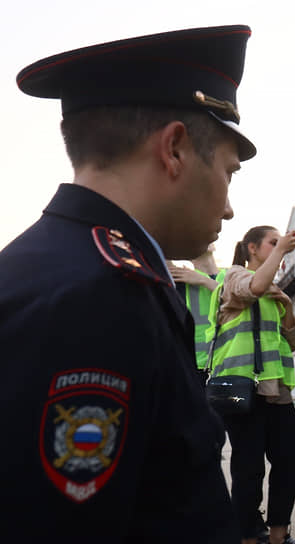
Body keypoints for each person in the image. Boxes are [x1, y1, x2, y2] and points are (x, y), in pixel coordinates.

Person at [0, 25, 255, 543]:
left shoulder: (65, 269)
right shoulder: (99, 299)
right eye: (230, 172)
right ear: (175, 149)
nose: (229, 207)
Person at [211, 225, 295, 544]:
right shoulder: (233, 276)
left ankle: (278, 535)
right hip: (243, 390)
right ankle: (248, 537)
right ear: (252, 248)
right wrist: (281, 254)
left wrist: (287, 305)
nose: (280, 248)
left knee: (289, 462)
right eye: (273, 243)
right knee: (249, 470)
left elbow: (292, 342)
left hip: (277, 392)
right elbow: (253, 287)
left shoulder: (274, 289)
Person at [170, 243, 221, 371]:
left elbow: (241, 299)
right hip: (198, 363)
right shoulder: (181, 280)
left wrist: (204, 280)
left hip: (230, 361)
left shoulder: (233, 276)